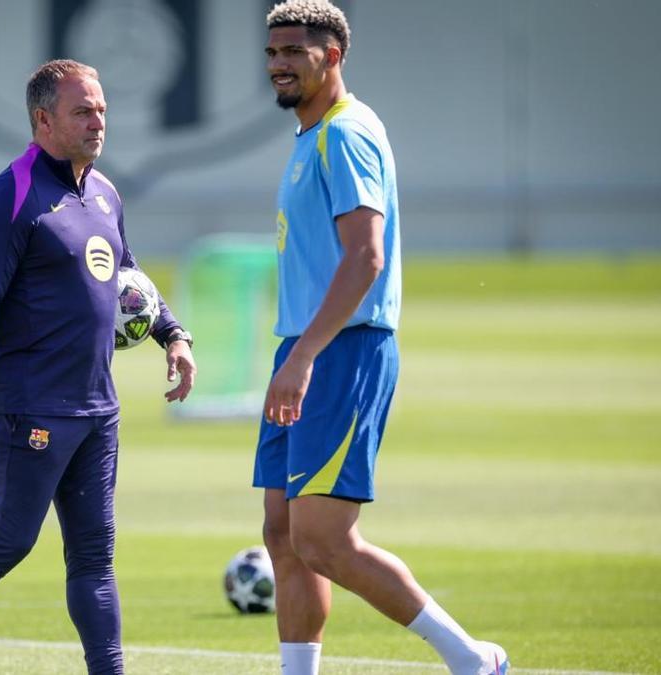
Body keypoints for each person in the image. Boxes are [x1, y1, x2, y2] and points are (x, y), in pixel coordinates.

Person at [0, 59, 196, 675]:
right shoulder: (11, 195)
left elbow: (130, 277)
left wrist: (172, 333)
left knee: (94, 559)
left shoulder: (104, 192)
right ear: (44, 119)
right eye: (83, 111)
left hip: (97, 409)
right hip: (32, 406)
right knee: (8, 542)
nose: (98, 120)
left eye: (101, 108)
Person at [253, 3, 508, 675]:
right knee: (282, 533)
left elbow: (364, 258)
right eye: (272, 50)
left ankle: (472, 658)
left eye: (294, 52)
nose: (278, 62)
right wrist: (295, 352)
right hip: (304, 348)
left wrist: (305, 356)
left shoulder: (346, 132)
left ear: (332, 56)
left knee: (325, 540)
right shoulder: (310, 135)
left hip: (340, 350)